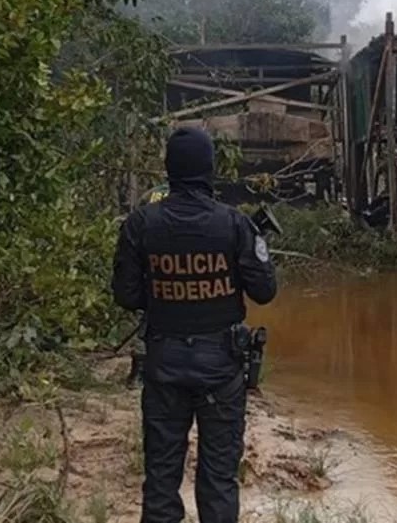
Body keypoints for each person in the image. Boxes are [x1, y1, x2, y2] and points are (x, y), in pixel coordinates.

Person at [111, 126, 277, 523]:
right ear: (210, 170)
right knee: (219, 479)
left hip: (164, 366)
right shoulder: (235, 225)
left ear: (169, 170)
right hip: (221, 369)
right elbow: (265, 291)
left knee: (161, 477)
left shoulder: (140, 223)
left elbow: (126, 295)